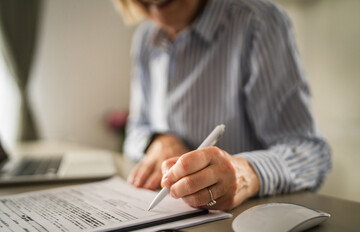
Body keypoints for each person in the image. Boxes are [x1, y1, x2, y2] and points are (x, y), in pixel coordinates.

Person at [116, 0, 331, 211]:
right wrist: (159, 141)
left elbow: (310, 153)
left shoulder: (258, 22)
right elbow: (137, 129)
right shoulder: (145, 39)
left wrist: (247, 173)